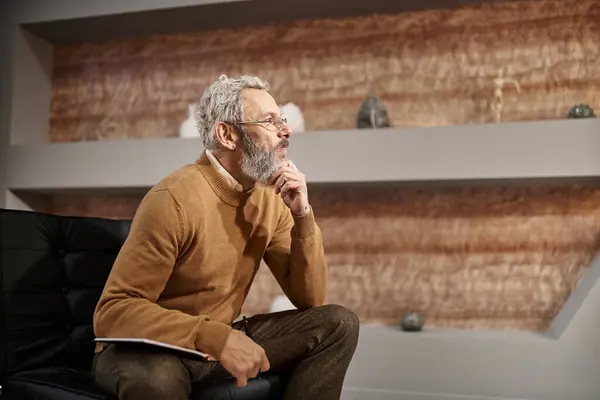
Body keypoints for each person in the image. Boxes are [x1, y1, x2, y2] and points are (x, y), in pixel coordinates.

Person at [91, 74, 360, 400]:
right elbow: (113, 313)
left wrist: (303, 215)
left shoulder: (270, 200)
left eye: (283, 121)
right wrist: (215, 336)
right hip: (143, 349)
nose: (286, 131)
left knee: (337, 324)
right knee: (159, 380)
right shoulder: (173, 199)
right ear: (227, 134)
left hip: (212, 342)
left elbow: (310, 300)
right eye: (270, 121)